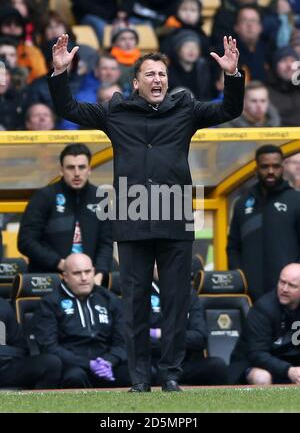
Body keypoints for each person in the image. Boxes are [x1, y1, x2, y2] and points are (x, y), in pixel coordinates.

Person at [48, 33, 244, 392]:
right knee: (134, 304)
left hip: (175, 218)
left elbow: (229, 110)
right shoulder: (115, 111)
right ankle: (139, 379)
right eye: (150, 75)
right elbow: (70, 110)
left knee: (175, 303)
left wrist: (232, 76)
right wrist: (60, 74)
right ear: (135, 82)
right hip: (132, 220)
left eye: (162, 75)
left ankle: (170, 374)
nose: (158, 80)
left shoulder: (186, 108)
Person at [18, 143, 113, 286]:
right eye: (70, 167)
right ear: (61, 170)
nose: (76, 173)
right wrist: (61, 264)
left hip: (91, 280)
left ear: (89, 170)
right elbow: (26, 242)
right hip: (51, 279)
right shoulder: (44, 197)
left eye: (81, 167)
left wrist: (99, 275)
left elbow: (106, 243)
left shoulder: (100, 198)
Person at [33, 253, 129, 389]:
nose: (84, 278)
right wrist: (88, 363)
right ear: (65, 277)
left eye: (88, 272)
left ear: (94, 272)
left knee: (137, 373)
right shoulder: (50, 303)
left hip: (107, 363)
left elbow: (123, 341)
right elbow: (49, 346)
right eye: (77, 273)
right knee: (75, 377)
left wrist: (109, 360)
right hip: (72, 364)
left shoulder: (109, 299)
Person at [227, 145, 300, 302]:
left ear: (283, 167)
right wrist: (239, 275)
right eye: (265, 166)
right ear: (256, 169)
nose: (271, 171)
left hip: (289, 295)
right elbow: (233, 246)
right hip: (249, 295)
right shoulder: (242, 203)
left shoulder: (296, 201)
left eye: (276, 166)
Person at [150, 268, 228, 386]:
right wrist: (178, 339)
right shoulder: (142, 292)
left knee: (217, 366)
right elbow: (142, 339)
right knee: (147, 373)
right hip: (155, 363)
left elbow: (200, 337)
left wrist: (162, 334)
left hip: (185, 362)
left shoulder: (188, 293)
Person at [229, 263, 300, 385]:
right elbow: (257, 354)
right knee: (262, 377)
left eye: (292, 285)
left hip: (291, 365)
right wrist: (289, 370)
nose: (284, 289)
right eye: (282, 282)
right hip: (253, 364)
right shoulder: (263, 308)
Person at [0, 296, 62, 389]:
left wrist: (5, 353)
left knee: (51, 363)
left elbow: (20, 345)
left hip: (4, 367)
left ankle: (39, 403)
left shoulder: (3, 305)